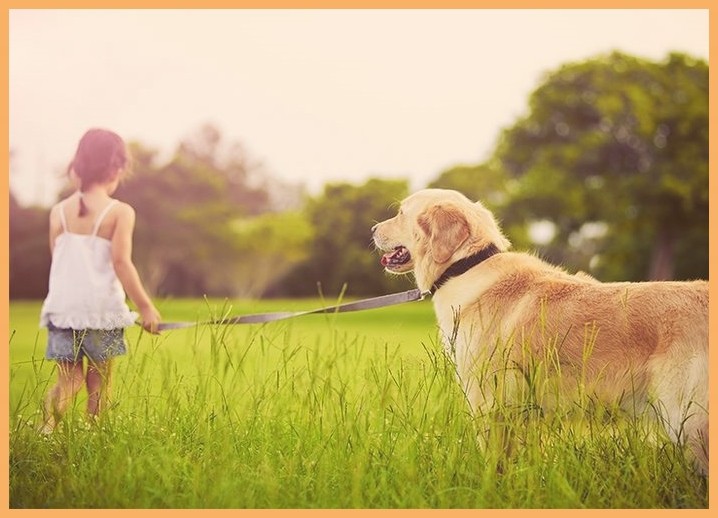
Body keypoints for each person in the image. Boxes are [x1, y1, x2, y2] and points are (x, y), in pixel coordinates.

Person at [39, 128, 162, 433]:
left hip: (62, 310)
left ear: (78, 166)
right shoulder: (119, 212)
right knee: (100, 383)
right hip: (101, 312)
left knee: (68, 381)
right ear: (116, 169)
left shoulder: (58, 212)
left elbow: (59, 259)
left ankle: (46, 432)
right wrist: (146, 307)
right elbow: (121, 263)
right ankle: (96, 437)